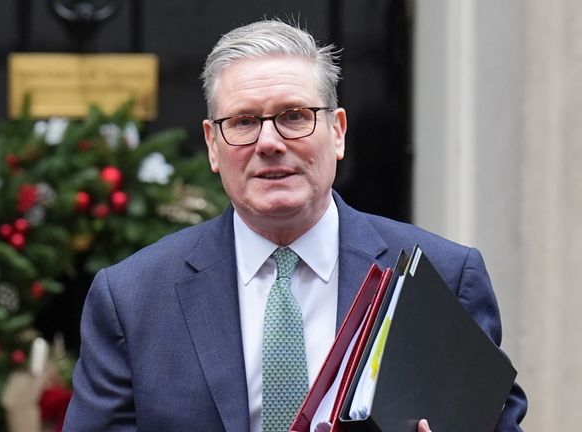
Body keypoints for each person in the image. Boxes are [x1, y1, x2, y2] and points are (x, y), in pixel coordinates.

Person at [62, 19, 527, 432]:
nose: (269, 142)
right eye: (243, 122)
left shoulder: (446, 277)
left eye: (294, 116)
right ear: (211, 145)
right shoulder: (133, 298)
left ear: (338, 131)